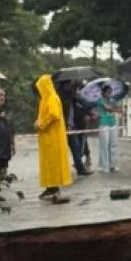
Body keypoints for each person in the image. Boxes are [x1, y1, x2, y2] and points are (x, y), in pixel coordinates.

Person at [33, 74, 72, 204]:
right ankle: (50, 187)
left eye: (40, 87)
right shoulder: (45, 99)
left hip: (53, 138)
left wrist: (41, 123)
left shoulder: (52, 98)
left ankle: (54, 188)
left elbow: (54, 115)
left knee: (53, 164)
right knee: (48, 164)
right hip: (47, 138)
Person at [58, 80, 92, 177]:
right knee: (61, 150)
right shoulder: (59, 97)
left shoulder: (72, 95)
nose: (70, 86)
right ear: (64, 85)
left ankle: (80, 169)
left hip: (72, 126)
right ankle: (60, 170)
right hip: (62, 127)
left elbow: (84, 103)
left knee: (76, 147)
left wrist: (90, 111)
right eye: (69, 84)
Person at [95, 84, 122, 173]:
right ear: (103, 93)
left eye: (111, 92)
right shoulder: (100, 100)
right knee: (104, 145)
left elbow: (120, 109)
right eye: (108, 92)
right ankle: (104, 166)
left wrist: (116, 108)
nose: (110, 93)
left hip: (112, 123)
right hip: (104, 123)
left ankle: (112, 165)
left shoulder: (113, 100)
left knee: (113, 144)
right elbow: (108, 108)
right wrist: (115, 109)